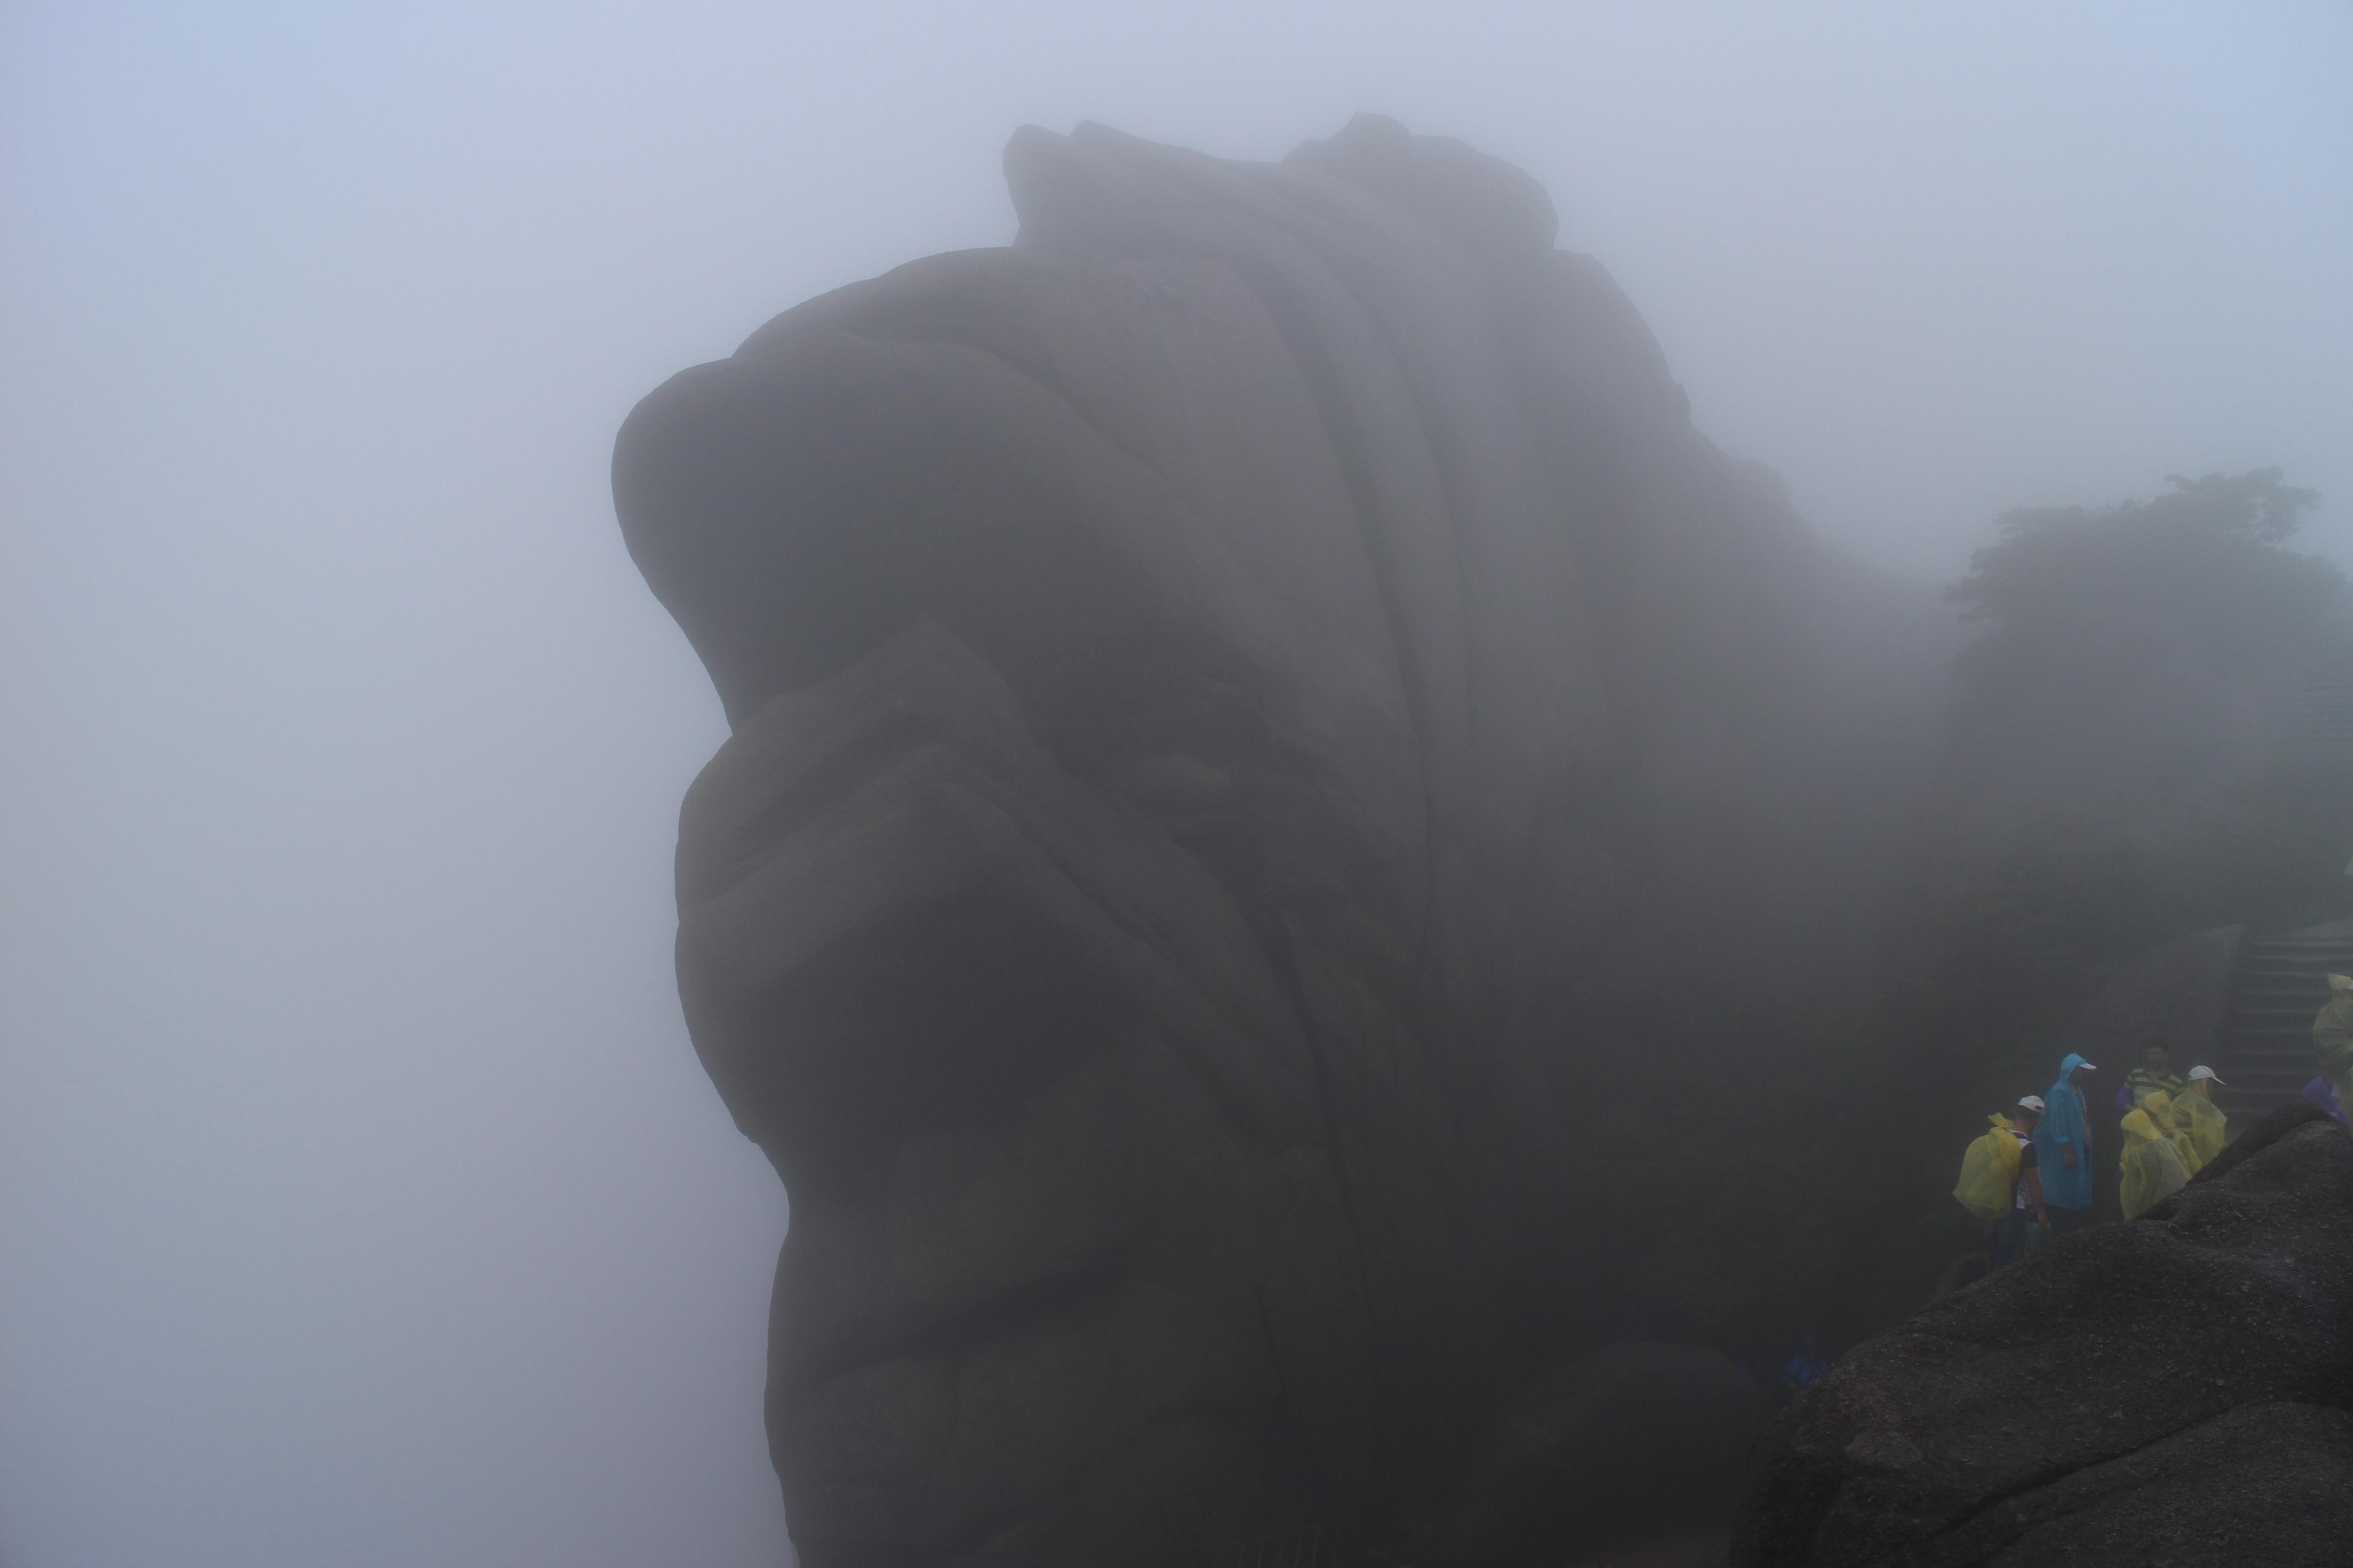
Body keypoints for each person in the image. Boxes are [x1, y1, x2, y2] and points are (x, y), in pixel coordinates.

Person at [2031, 1053, 2098, 1233]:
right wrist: (2066, 1148)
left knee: (2077, 1182)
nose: (2084, 1074)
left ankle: (2074, 1217)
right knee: (2062, 1184)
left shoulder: (2077, 1091)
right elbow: (2057, 1122)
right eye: (2081, 1070)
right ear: (2072, 1070)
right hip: (2067, 1149)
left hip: (2081, 1146)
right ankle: (2061, 1221)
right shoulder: (2059, 1092)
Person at [1987, 1095, 2049, 1270]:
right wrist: (2042, 1213)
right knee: (2012, 1257)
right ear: (2036, 1121)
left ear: (2016, 1113)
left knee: (1996, 1251)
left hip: (1995, 1204)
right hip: (2016, 1208)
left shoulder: (2000, 1137)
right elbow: (2034, 1183)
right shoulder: (2025, 1146)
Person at [2119, 1103, 2192, 1219]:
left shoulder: (2139, 1156)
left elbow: (2133, 1194)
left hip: (2157, 1212)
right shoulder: (2166, 1143)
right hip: (2186, 1200)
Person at [2165, 1066, 2228, 1169]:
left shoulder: (2179, 1100)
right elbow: (2211, 1141)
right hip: (2197, 1161)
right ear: (2204, 1083)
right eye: (2214, 1084)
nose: (2215, 1089)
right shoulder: (2203, 1106)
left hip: (2178, 1157)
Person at [2315, 975, 2353, 1111]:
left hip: (2333, 1055)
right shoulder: (2347, 1007)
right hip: (2344, 1054)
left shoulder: (2327, 1010)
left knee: (2338, 1087)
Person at [2126, 1037, 2186, 1106]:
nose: (2152, 1057)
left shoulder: (2176, 1084)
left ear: (2166, 1055)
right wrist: (2137, 1113)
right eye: (2149, 1054)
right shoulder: (2136, 1075)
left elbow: (2180, 1110)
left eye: (2156, 1054)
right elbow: (2122, 1099)